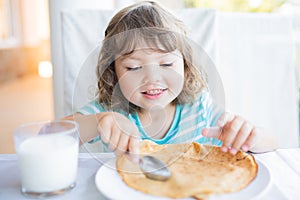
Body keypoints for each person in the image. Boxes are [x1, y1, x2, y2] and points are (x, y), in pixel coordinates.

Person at [65, 1, 278, 158]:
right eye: (134, 67)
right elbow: (47, 136)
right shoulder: (109, 112)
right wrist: (97, 122)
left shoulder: (199, 108)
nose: (152, 78)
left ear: (184, 66)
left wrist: (251, 136)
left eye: (166, 64)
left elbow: (273, 143)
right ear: (114, 73)